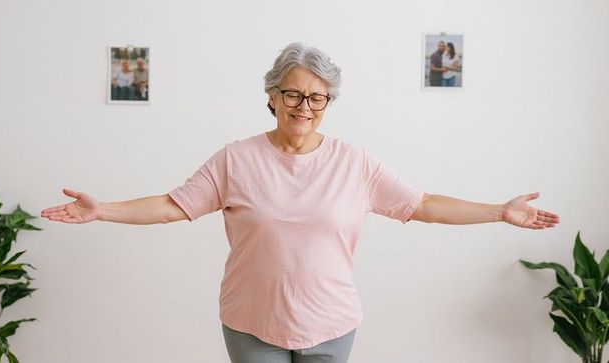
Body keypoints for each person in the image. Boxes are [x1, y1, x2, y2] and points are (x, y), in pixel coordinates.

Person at [41, 42, 560, 363]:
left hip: (332, 324)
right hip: (251, 322)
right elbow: (174, 205)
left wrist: (499, 209)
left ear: (328, 103)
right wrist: (103, 208)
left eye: (317, 97)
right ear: (272, 95)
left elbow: (422, 204)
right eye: (292, 94)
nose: (303, 106)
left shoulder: (355, 163)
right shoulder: (236, 159)